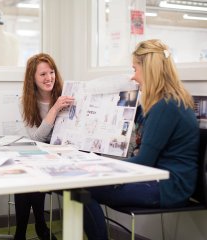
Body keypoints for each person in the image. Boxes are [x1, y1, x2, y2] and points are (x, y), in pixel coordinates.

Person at [83, 39, 200, 240]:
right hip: (160, 179)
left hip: (168, 187)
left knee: (80, 191)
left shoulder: (166, 106)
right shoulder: (164, 101)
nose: (133, 77)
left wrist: (101, 165)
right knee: (78, 189)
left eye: (135, 69)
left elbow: (144, 161)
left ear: (149, 70)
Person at [17, 53, 75, 240]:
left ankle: (37, 227)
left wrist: (58, 105)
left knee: (32, 171)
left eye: (51, 72)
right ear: (32, 78)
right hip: (41, 156)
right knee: (26, 171)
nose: (49, 77)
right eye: (42, 74)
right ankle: (30, 230)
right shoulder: (25, 101)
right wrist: (55, 109)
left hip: (64, 157)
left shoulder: (64, 97)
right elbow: (37, 137)